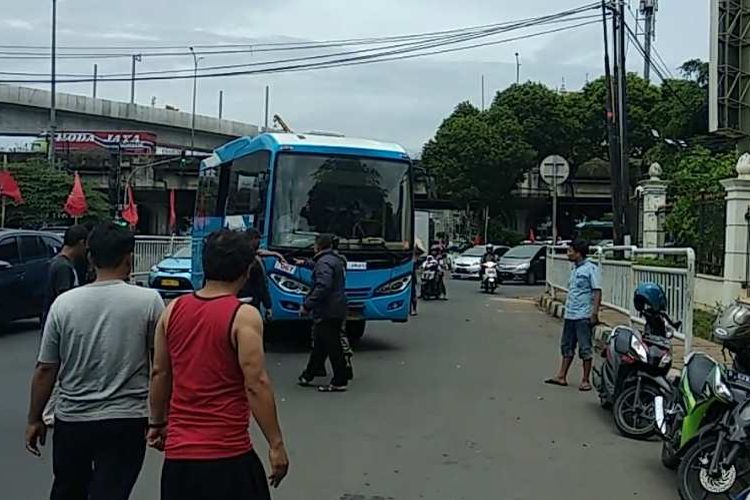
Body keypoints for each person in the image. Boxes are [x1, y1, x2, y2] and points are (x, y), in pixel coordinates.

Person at [26, 222, 165, 500]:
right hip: (126, 420)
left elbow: (46, 368)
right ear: (130, 258)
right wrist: (159, 421)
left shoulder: (64, 304)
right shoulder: (149, 301)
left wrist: (35, 418)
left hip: (72, 419)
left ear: (90, 257)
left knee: (68, 490)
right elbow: (159, 366)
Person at [148, 229, 288, 500]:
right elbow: (256, 383)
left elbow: (160, 372)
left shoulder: (172, 310)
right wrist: (276, 444)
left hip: (179, 459)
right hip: (228, 455)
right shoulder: (243, 316)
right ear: (246, 270)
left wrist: (157, 423)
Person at [545, 239, 602, 391]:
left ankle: (585, 380)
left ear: (578, 253)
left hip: (583, 315)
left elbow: (597, 291)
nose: (568, 254)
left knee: (585, 348)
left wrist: (594, 313)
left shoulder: (591, 269)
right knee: (566, 346)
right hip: (570, 314)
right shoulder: (575, 269)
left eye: (570, 251)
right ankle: (562, 375)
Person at [298, 233, 349, 392]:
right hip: (336, 307)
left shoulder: (323, 263)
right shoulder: (334, 259)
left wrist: (307, 305)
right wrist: (305, 263)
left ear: (317, 246)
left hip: (328, 310)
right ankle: (308, 374)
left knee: (332, 345)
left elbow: (323, 286)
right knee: (321, 343)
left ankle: (340, 379)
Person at [42, 225, 88, 325]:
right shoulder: (63, 267)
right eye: (86, 245)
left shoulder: (58, 262)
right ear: (81, 243)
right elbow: (65, 300)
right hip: (60, 325)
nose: (86, 249)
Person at [238, 229, 275, 317]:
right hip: (251, 301)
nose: (259, 243)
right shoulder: (254, 261)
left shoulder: (236, 256)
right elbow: (261, 286)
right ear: (252, 240)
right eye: (258, 240)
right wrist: (268, 305)